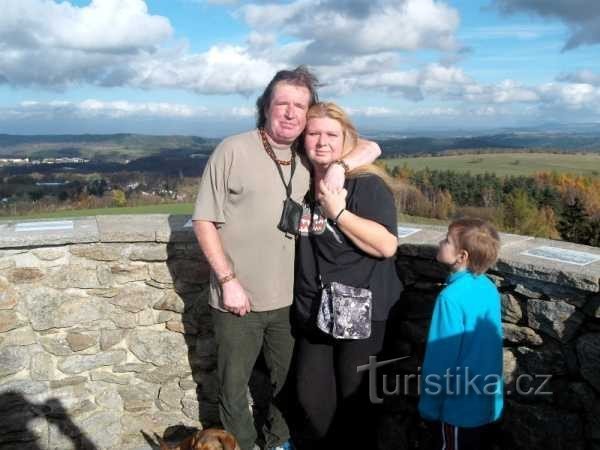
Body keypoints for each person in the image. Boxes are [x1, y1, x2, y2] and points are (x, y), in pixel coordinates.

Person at [191, 67, 381, 450]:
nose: (291, 113)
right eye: (282, 103)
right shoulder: (233, 149)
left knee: (288, 383)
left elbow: (370, 146)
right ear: (266, 107)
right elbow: (204, 221)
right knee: (233, 386)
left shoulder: (307, 155)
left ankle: (278, 443)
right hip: (237, 299)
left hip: (290, 301)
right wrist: (228, 281)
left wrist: (340, 168)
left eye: (300, 106)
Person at [292, 102, 403, 449]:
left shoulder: (365, 185)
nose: (322, 141)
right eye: (313, 133)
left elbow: (386, 245)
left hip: (362, 313)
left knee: (357, 408)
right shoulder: (300, 180)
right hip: (315, 311)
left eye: (331, 134)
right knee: (311, 398)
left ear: (345, 140)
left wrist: (338, 212)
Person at [418, 218, 503, 450]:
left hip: (457, 410)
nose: (440, 242)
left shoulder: (450, 298)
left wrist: (429, 406)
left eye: (447, 240)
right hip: (487, 403)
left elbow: (440, 360)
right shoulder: (488, 287)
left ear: (462, 256)